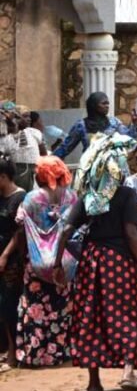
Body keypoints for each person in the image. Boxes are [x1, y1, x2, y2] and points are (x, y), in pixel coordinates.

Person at [55, 134, 137, 391]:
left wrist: (56, 265)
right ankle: (129, 371)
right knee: (127, 315)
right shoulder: (127, 195)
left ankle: (94, 383)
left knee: (90, 317)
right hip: (120, 264)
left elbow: (65, 230)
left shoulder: (88, 198)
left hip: (90, 263)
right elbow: (131, 234)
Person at [3, 156, 76, 367]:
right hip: (63, 263)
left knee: (35, 309)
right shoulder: (71, 197)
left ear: (42, 174)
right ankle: (61, 353)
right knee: (62, 308)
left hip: (36, 264)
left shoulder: (32, 199)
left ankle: (36, 354)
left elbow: (20, 228)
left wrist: (24, 255)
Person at [53, 92, 137, 159]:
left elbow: (129, 139)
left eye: (108, 104)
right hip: (90, 168)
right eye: (103, 103)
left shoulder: (114, 122)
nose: (107, 106)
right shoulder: (81, 125)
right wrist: (51, 159)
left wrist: (134, 122)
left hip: (113, 167)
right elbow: (66, 147)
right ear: (93, 105)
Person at [0, 157, 27, 371]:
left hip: (12, 260)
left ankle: (13, 353)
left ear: (3, 177)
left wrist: (5, 256)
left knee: (10, 305)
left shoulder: (19, 198)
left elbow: (19, 233)